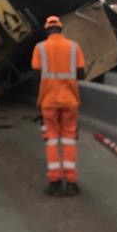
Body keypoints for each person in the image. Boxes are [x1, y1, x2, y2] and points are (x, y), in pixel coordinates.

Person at [31, 15, 86, 196]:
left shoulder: (40, 48)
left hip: (48, 101)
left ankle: (54, 181)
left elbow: (37, 74)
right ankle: (71, 182)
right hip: (70, 100)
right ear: (61, 29)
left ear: (47, 30)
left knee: (52, 140)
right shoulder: (74, 47)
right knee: (69, 139)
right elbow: (81, 74)